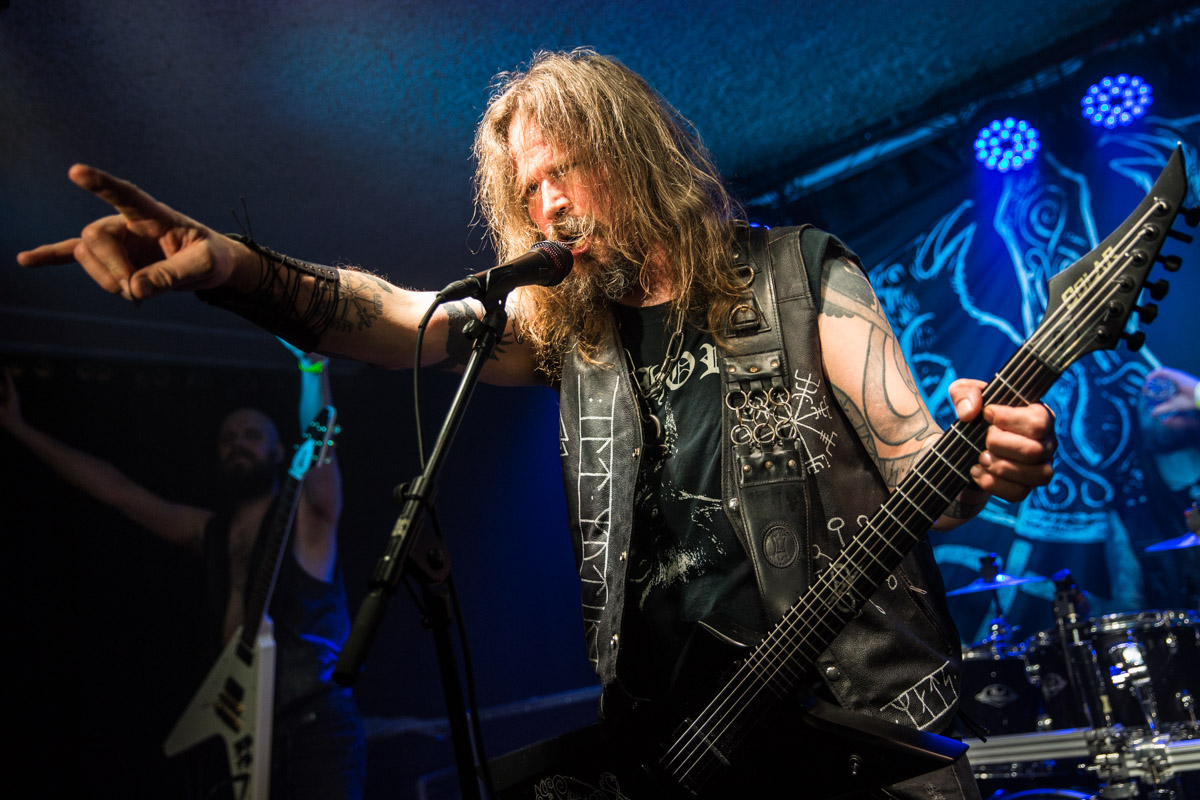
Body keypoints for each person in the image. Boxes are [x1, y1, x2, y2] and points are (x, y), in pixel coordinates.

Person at [17, 48, 1056, 798]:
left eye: (567, 168)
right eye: (530, 188)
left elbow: (924, 474)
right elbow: (397, 319)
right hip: (683, 754)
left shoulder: (799, 275)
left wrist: (988, 463)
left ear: (635, 153)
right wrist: (237, 270)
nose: (549, 203)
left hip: (860, 738)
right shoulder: (570, 333)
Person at [0, 343, 366, 800]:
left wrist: (312, 367)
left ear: (278, 451)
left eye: (251, 435)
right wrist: (18, 428)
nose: (237, 444)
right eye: (227, 438)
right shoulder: (210, 531)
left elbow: (322, 449)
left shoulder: (309, 520)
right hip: (240, 726)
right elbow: (117, 490)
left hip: (312, 724)